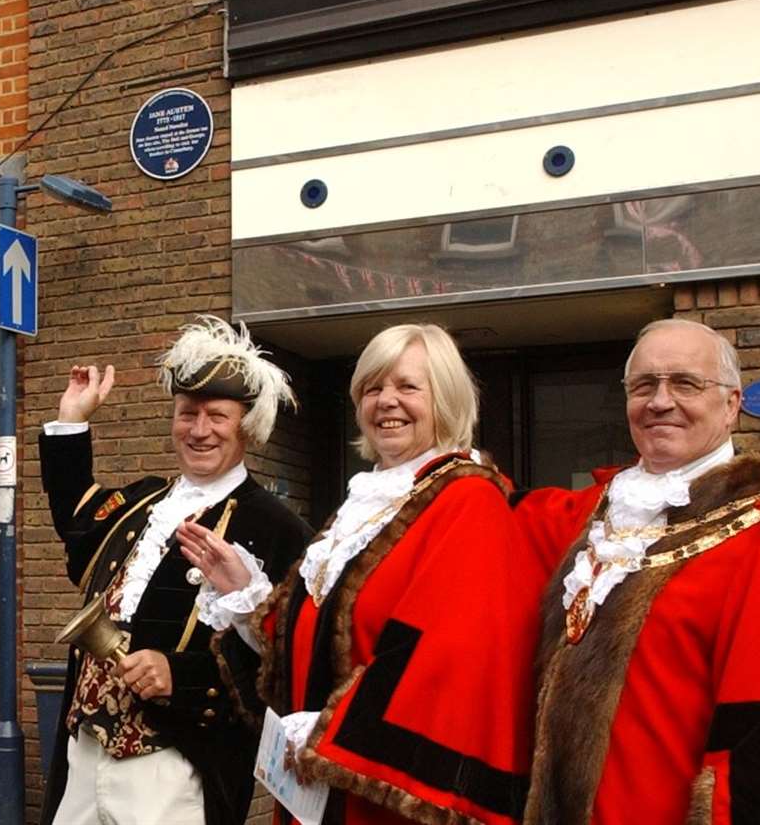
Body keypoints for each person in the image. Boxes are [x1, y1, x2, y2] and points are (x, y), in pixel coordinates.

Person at [182, 324, 546, 824]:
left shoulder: (468, 499)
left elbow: (448, 658)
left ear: (447, 399)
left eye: (407, 387)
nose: (386, 402)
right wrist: (245, 591)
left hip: (379, 797)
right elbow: (314, 643)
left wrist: (334, 731)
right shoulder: (370, 500)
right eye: (373, 388)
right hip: (316, 787)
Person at [514, 318, 760, 823]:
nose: (660, 401)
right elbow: (483, 515)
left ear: (731, 405)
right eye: (643, 386)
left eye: (685, 383)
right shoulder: (592, 512)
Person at [40, 316, 314, 825]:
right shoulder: (144, 499)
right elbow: (77, 522)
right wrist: (72, 420)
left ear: (246, 426)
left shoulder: (277, 528)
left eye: (217, 416)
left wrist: (183, 676)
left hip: (176, 763)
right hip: (86, 748)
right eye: (187, 413)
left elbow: (287, 661)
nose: (199, 430)